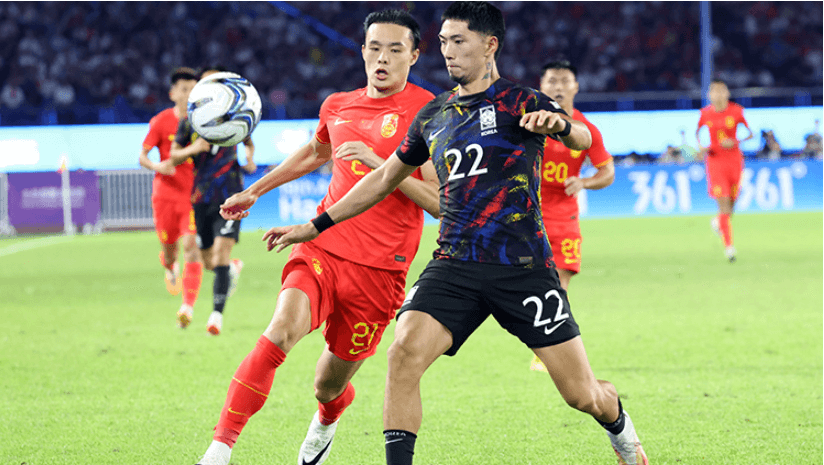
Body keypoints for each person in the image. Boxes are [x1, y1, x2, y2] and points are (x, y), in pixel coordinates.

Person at [267, 3, 648, 465]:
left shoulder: (521, 101)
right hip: (455, 264)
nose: (448, 52)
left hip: (522, 269)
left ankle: (620, 427)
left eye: (459, 42)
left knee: (582, 395)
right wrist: (313, 226)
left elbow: (582, 140)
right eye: (444, 42)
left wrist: (561, 125)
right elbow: (385, 177)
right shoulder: (433, 115)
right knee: (402, 352)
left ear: (490, 45)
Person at [196, 10, 438, 465]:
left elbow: (440, 202)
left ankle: (329, 416)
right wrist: (254, 190)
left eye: (394, 49)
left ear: (415, 55)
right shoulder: (339, 104)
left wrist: (386, 168)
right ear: (363, 50)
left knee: (328, 384)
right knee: (280, 330)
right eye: (374, 48)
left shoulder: (427, 112)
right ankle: (220, 447)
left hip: (381, 273)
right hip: (322, 246)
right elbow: (314, 152)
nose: (381, 59)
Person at [530, 60, 614, 373]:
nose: (559, 87)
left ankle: (546, 352)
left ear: (576, 87)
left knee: (559, 282)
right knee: (527, 284)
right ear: (542, 86)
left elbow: (607, 172)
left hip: (565, 217)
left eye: (565, 81)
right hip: (527, 216)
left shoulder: (586, 129)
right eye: (552, 81)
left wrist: (584, 182)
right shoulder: (527, 122)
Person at [163, 66, 255, 335]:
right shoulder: (190, 120)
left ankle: (216, 316)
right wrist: (195, 148)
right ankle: (231, 270)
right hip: (201, 197)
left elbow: (248, 142)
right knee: (208, 261)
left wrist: (249, 158)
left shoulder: (236, 116)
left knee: (221, 254)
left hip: (231, 194)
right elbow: (173, 156)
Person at [138, 66, 204, 319]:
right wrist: (157, 166)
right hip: (165, 195)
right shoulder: (161, 121)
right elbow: (142, 157)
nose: (189, 95)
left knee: (191, 245)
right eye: (185, 89)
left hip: (192, 196)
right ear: (173, 93)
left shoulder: (204, 122)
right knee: (169, 250)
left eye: (193, 90)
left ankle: (187, 307)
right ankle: (169, 264)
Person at [695, 79, 753, 263]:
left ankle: (718, 222)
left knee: (731, 206)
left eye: (721, 91)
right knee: (723, 204)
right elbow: (698, 136)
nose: (718, 94)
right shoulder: (704, 114)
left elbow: (750, 133)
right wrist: (702, 148)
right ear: (709, 94)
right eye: (714, 91)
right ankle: (729, 248)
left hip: (735, 161)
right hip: (715, 162)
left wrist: (736, 142)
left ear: (727, 93)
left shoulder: (737, 111)